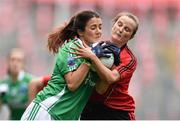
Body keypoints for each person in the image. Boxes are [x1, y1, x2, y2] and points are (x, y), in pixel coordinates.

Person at [21, 10, 105, 120]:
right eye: (93, 28)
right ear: (80, 32)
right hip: (47, 112)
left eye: (100, 27)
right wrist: (89, 60)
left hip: (68, 118)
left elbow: (101, 89)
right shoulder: (72, 49)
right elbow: (72, 84)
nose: (98, 31)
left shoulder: (97, 54)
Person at [73, 12, 139, 120]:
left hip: (117, 111)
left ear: (131, 37)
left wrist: (93, 58)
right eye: (119, 24)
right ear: (113, 25)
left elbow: (110, 78)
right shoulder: (98, 46)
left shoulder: (129, 59)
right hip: (91, 107)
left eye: (127, 29)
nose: (121, 29)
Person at [0, 48, 34, 120]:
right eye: (12, 59)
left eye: (19, 60)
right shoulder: (3, 84)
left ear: (23, 63)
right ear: (8, 62)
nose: (15, 63)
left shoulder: (31, 82)